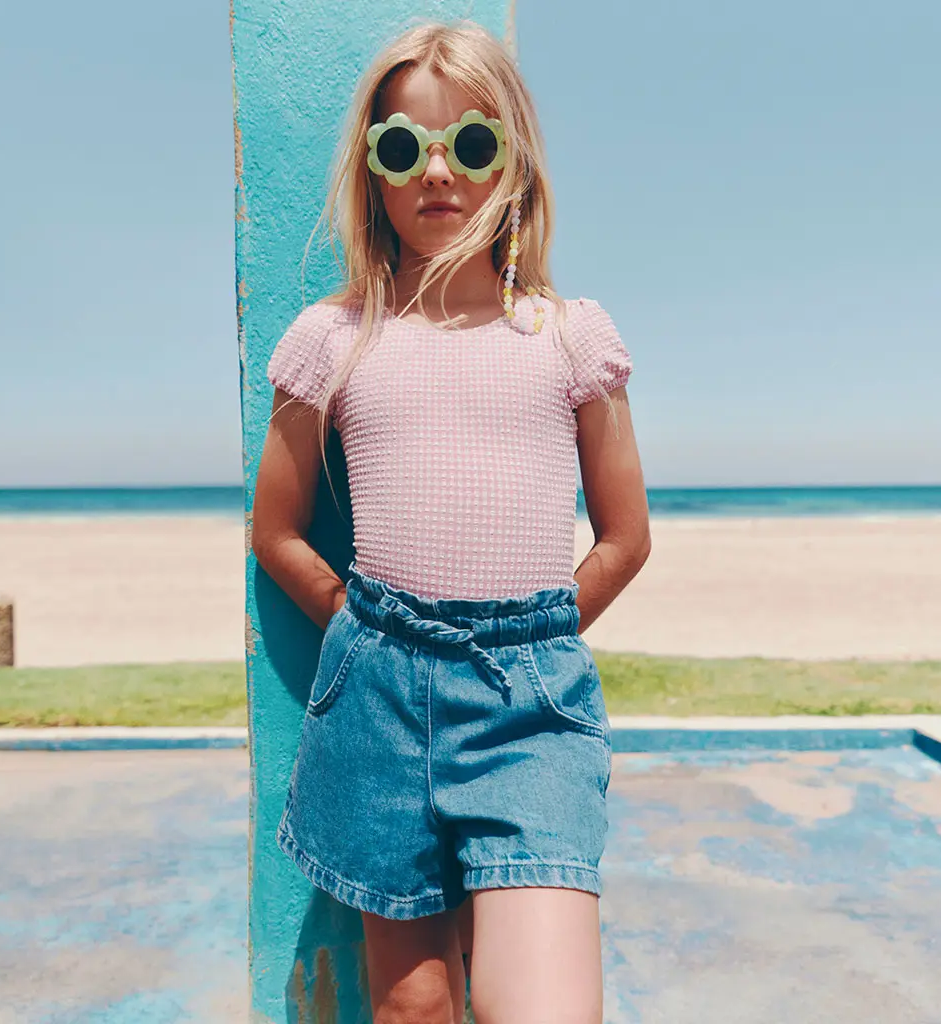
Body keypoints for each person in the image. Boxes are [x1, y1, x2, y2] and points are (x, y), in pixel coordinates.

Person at [251, 18, 651, 1024]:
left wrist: (535, 638)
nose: (439, 173)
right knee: (416, 1005)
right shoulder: (333, 338)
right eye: (403, 148)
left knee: (546, 1007)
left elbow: (624, 537)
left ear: (512, 162)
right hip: (379, 691)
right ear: (372, 172)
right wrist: (357, 620)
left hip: (530, 702)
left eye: (471, 145)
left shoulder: (566, 336)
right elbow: (276, 529)